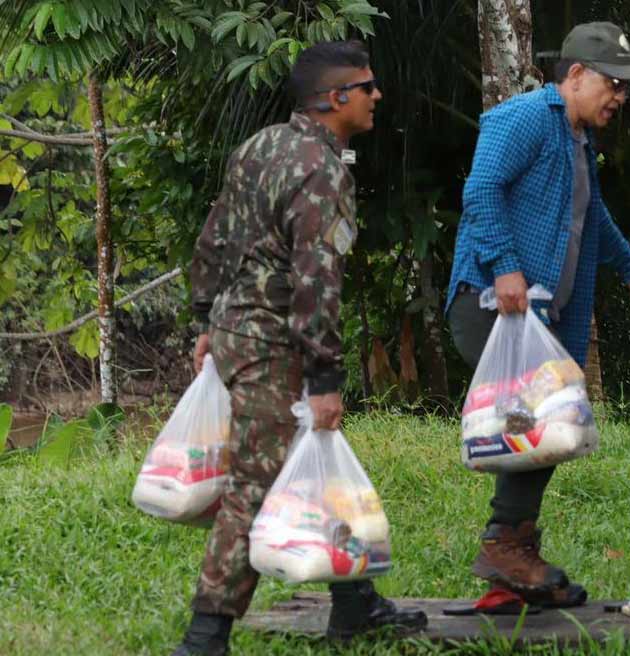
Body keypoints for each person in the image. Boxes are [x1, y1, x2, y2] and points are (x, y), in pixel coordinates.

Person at [173, 41, 425, 656]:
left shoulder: (257, 147)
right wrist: (325, 378)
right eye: (366, 86)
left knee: (315, 462)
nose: (376, 96)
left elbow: (214, 239)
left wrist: (207, 318)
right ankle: (205, 637)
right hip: (273, 345)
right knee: (256, 484)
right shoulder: (322, 170)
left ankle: (353, 603)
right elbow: (316, 281)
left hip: (238, 332)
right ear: (336, 97)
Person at [445, 22, 630, 606]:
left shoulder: (577, 142)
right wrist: (504, 266)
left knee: (550, 428)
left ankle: (510, 562)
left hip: (537, 316)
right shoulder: (524, 118)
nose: (619, 96)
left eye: (625, 87)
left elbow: (594, 220)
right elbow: (482, 189)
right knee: (540, 417)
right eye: (612, 84)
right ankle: (505, 547)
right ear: (574, 76)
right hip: (490, 305)